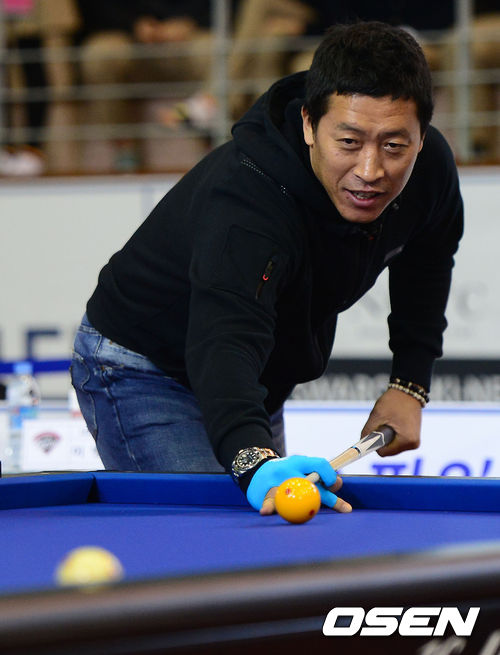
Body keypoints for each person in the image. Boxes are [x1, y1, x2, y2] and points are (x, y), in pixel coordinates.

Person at [71, 22, 463, 516]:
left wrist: (409, 384)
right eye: (348, 142)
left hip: (250, 378)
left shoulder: (430, 171)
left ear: (422, 137)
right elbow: (225, 340)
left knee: (266, 534)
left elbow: (427, 261)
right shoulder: (248, 202)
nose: (370, 171)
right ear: (308, 125)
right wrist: (252, 457)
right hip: (145, 369)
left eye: (394, 146)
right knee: (215, 544)